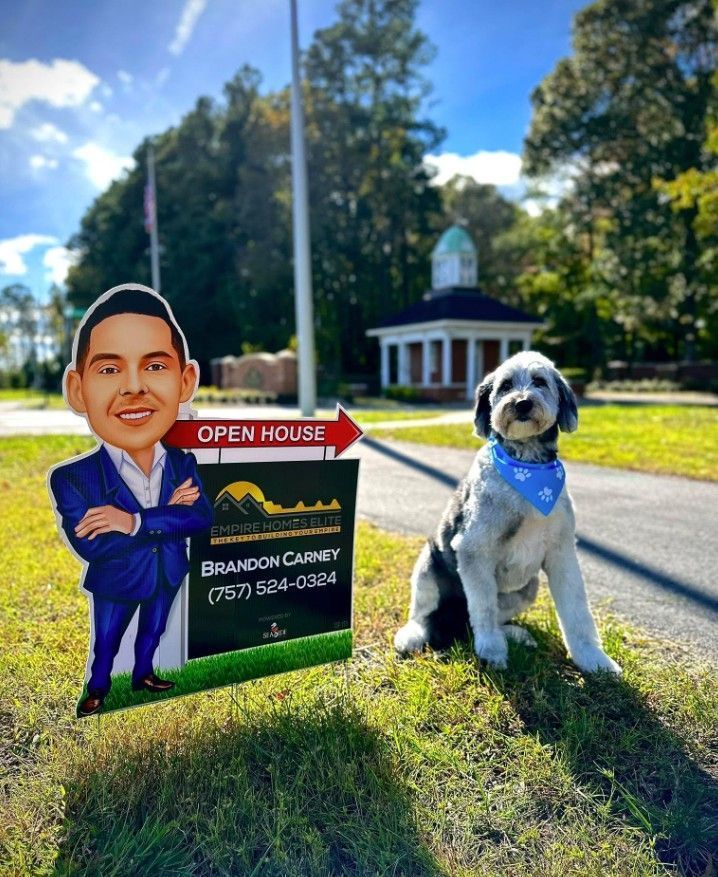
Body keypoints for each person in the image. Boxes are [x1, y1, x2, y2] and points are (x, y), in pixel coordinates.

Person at [48, 284, 212, 716]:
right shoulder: (73, 478)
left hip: (168, 571)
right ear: (78, 390)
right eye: (108, 370)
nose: (134, 387)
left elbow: (200, 518)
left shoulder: (182, 462)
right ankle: (98, 689)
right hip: (116, 582)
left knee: (153, 632)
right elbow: (93, 545)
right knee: (107, 641)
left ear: (185, 382)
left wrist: (131, 521)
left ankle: (143, 674)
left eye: (155, 365)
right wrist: (164, 516)